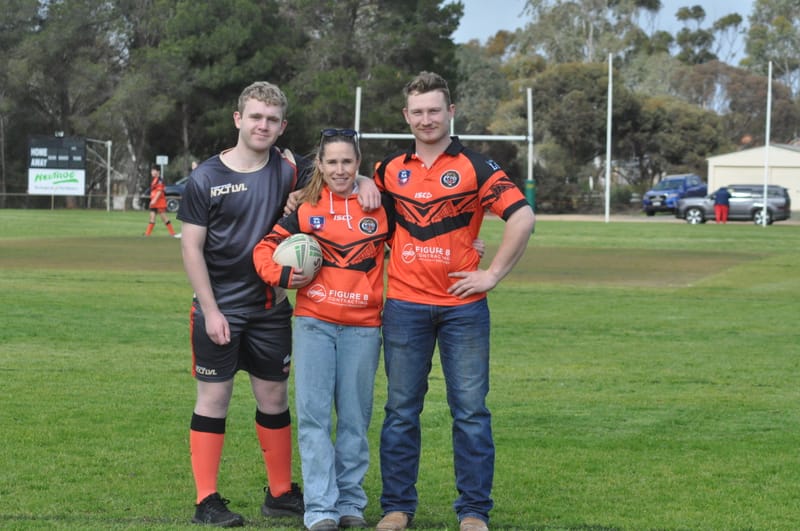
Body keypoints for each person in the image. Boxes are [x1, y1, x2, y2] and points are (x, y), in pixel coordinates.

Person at [373, 71, 536, 531]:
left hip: (463, 308)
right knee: (402, 411)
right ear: (407, 116)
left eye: (434, 110)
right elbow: (370, 224)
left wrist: (492, 274)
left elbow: (522, 218)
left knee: (470, 412)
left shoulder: (478, 167)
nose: (426, 119)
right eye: (418, 112)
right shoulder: (386, 171)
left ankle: (472, 512)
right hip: (404, 306)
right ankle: (397, 508)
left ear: (451, 112)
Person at [177, 81, 312, 528]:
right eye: (255, 117)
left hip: (271, 309)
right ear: (238, 119)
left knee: (274, 396)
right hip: (221, 309)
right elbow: (192, 249)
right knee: (214, 399)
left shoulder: (291, 170)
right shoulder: (206, 178)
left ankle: (279, 494)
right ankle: (207, 501)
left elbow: (338, 168)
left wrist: (367, 180)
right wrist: (212, 310)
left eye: (272, 120)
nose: (263, 125)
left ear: (282, 126)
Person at [253, 128, 393, 531]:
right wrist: (282, 274)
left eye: (347, 162)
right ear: (320, 164)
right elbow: (264, 248)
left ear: (358, 163)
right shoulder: (305, 208)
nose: (339, 169)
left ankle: (350, 503)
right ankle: (320, 509)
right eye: (331, 162)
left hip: (363, 329)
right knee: (315, 419)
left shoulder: (380, 207)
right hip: (314, 325)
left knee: (353, 420)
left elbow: (416, 243)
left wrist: (470, 248)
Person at [144, 165, 178, 237]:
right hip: (154, 202)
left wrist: (154, 200)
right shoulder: (154, 180)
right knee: (152, 217)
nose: (152, 172)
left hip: (159, 202)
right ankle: (147, 234)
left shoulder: (160, 180)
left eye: (154, 171)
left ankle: (172, 233)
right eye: (152, 171)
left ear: (158, 171)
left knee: (164, 218)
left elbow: (159, 192)